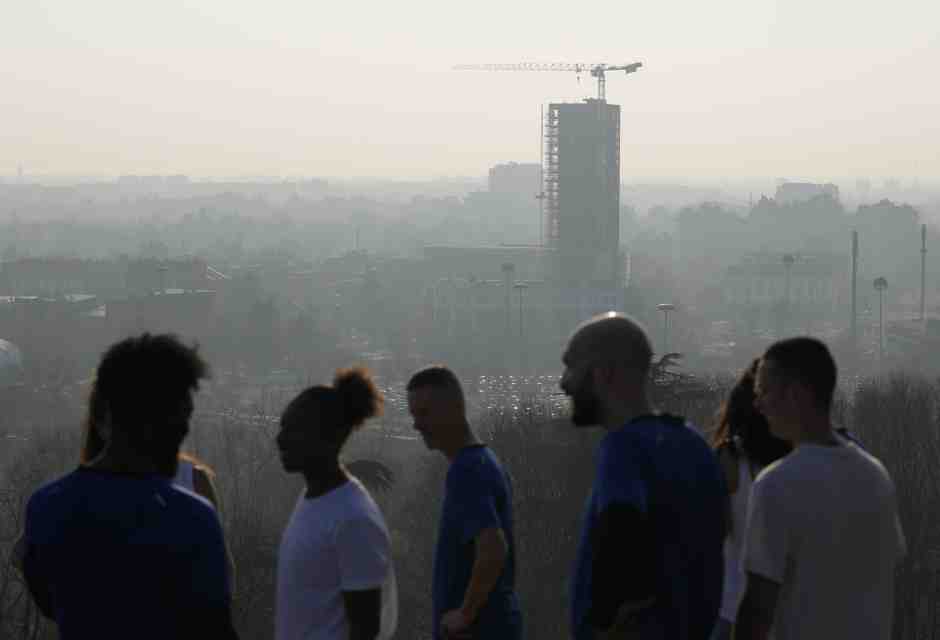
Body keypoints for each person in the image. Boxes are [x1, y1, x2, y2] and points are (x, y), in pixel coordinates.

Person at [20, 333, 238, 639]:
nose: (183, 430)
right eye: (178, 417)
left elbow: (49, 602)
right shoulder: (192, 518)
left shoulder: (46, 506)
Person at [561, 312, 726, 640]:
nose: (563, 383)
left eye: (571, 367)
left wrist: (604, 621)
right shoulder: (694, 444)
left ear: (604, 373)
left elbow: (622, 531)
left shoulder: (624, 447)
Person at [736, 337, 907, 640]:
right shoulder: (876, 476)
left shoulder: (777, 484)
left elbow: (758, 607)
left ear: (795, 394)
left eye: (764, 391)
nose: (758, 403)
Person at [276, 367, 397, 640]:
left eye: (294, 429)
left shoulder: (353, 519)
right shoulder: (315, 499)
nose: (280, 439)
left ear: (328, 437)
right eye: (283, 427)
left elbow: (365, 628)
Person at [406, 366, 522, 640]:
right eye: (414, 415)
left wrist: (464, 615)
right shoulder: (485, 462)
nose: (416, 425)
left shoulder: (467, 469)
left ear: (453, 410)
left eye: (424, 413)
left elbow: (493, 548)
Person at [708, 359, 791, 640]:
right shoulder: (802, 462)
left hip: (733, 608)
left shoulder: (729, 460)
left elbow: (711, 537)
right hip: (790, 614)